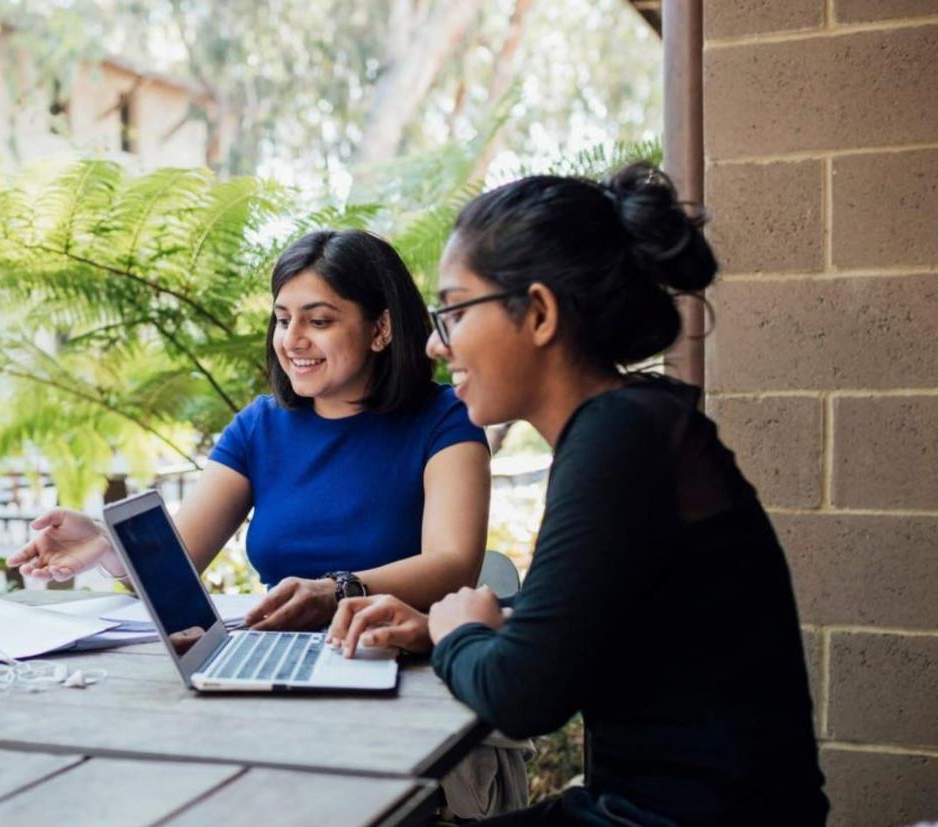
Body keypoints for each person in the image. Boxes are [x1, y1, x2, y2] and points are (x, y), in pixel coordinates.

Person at [329, 163, 829, 825]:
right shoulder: (635, 422)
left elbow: (522, 696)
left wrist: (456, 634)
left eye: (451, 310)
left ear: (538, 313)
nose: (434, 343)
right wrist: (445, 627)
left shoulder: (618, 438)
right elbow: (576, 627)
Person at [9, 228, 491, 632]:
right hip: (281, 652)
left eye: (318, 320)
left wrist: (337, 590)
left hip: (399, 656)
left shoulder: (444, 419)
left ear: (381, 329)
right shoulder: (259, 427)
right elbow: (176, 565)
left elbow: (453, 565)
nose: (292, 339)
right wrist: (104, 545)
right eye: (282, 320)